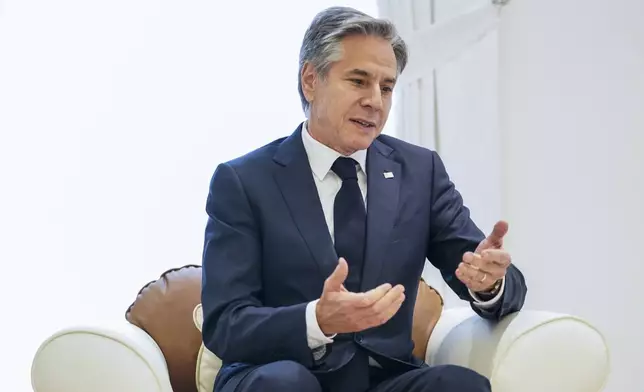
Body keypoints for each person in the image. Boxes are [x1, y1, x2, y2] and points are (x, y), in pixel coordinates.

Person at [201, 6, 527, 392]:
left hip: (384, 377)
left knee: (460, 386)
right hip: (279, 373)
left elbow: (478, 266)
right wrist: (317, 320)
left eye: (386, 87)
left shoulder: (419, 171)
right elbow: (225, 324)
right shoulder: (243, 181)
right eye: (359, 81)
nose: (376, 101)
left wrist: (488, 282)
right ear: (311, 80)